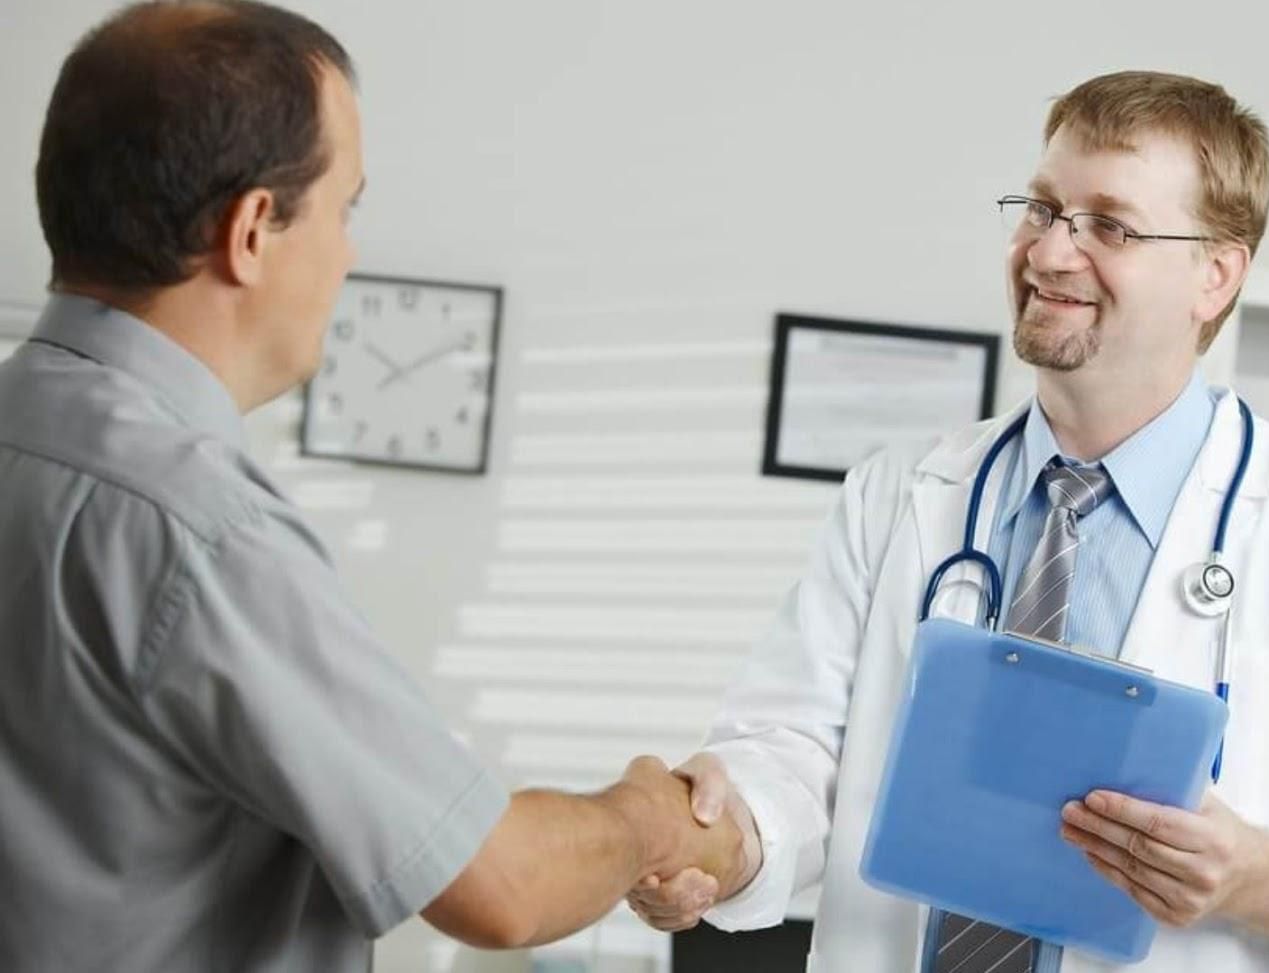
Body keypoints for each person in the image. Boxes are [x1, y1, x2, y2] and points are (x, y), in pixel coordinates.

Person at [627, 71, 1269, 971]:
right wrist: (722, 838)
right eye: (1043, 209)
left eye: (1110, 226)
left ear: (1215, 274)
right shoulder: (900, 493)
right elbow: (793, 756)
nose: (1049, 253)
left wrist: (1261, 877)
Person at [0, 3, 743, 970]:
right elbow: (501, 887)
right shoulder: (195, 525)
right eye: (344, 209)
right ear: (254, 230)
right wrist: (648, 812)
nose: (349, 254)